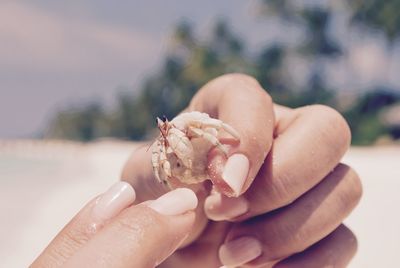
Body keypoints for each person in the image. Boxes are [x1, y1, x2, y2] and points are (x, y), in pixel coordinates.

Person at [32, 74, 362, 267]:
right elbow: (162, 162)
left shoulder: (192, 129)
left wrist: (242, 144)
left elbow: (206, 127)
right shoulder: (165, 147)